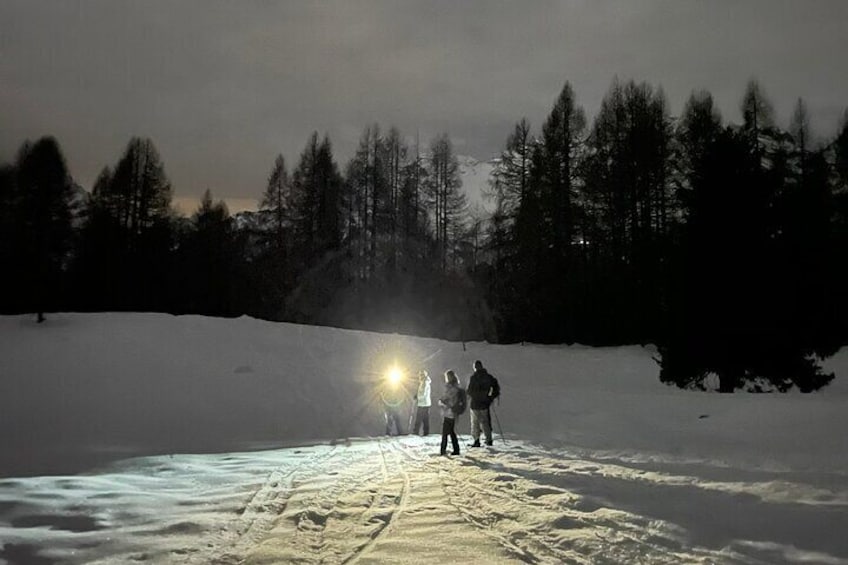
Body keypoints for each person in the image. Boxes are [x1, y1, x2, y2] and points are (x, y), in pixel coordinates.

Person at [466, 359, 500, 447]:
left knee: (475, 423)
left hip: (475, 404)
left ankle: (477, 440)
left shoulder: (473, 378)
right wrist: (490, 397)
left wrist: (471, 395)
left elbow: (469, 391)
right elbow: (496, 387)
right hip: (485, 403)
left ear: (475, 368)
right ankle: (489, 440)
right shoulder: (488, 377)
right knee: (485, 422)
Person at [437, 370, 461, 456]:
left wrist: (442, 402)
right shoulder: (456, 387)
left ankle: (443, 450)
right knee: (451, 432)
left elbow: (448, 398)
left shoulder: (451, 388)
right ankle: (456, 449)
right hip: (452, 412)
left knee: (446, 433)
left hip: (449, 412)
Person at [412, 370, 431, 436]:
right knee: (424, 419)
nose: (419, 376)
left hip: (423, 403)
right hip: (424, 403)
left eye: (421, 375)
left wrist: (417, 397)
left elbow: (423, 394)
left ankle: (416, 432)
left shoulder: (425, 383)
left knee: (419, 418)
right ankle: (425, 432)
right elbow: (421, 393)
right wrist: (417, 395)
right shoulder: (423, 382)